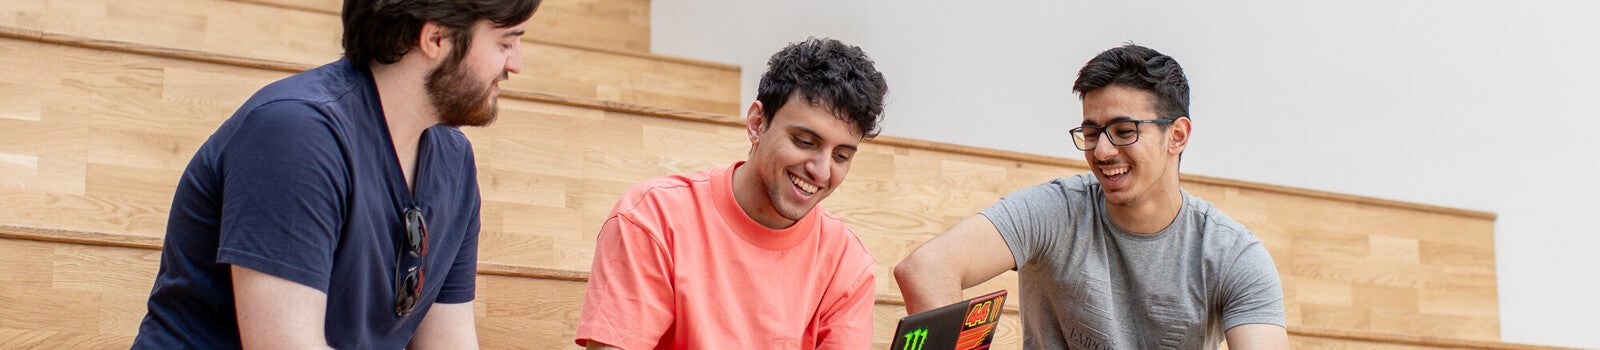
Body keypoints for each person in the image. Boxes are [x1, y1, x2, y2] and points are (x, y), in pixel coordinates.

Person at [131, 0, 540, 348]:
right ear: (435, 39)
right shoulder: (295, 131)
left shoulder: (455, 161)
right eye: (505, 42)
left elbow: (448, 341)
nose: (516, 64)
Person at [894, 44, 1290, 349]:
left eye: (1124, 130)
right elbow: (927, 269)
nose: (1101, 151)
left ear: (1178, 136)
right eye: (1091, 132)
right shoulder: (1055, 211)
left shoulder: (1232, 254)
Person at [574, 37, 889, 350]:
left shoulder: (847, 262)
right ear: (757, 123)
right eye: (805, 142)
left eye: (841, 157)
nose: (820, 171)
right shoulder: (652, 218)